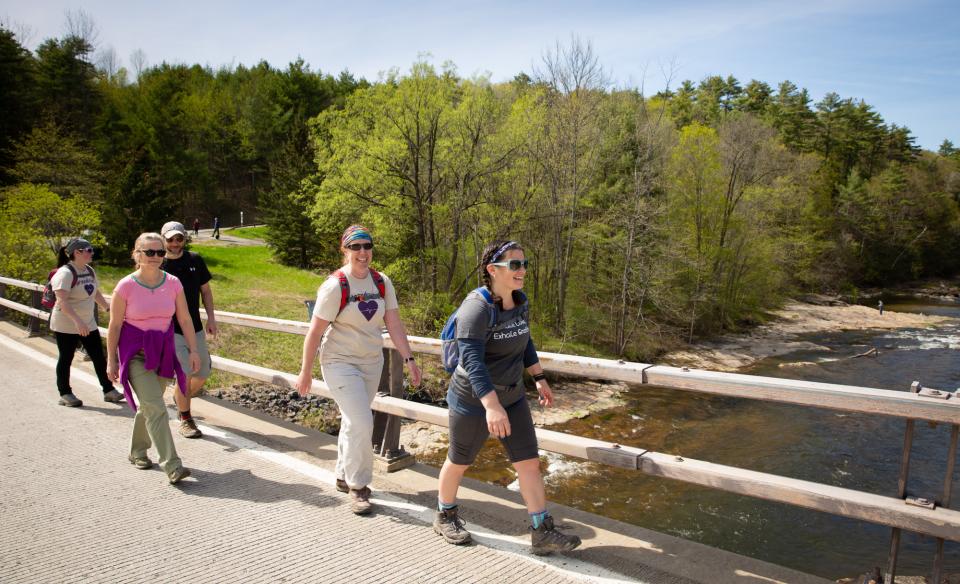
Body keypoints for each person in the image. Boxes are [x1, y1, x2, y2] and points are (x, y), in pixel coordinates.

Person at [433, 240, 581, 555]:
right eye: (515, 265)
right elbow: (471, 360)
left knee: (529, 463)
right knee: (459, 461)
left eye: (524, 264)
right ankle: (445, 515)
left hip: (512, 397)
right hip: (473, 399)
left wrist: (539, 377)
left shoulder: (520, 302)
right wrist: (491, 406)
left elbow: (524, 341)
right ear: (492, 270)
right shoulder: (476, 307)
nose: (522, 270)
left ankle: (542, 531)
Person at [295, 224, 422, 515]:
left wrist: (409, 359)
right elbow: (314, 333)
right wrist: (305, 372)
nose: (362, 252)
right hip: (339, 361)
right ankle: (359, 486)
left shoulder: (381, 283)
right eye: (356, 247)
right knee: (362, 421)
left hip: (371, 362)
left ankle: (342, 474)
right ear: (345, 250)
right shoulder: (335, 286)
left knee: (355, 422)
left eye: (367, 246)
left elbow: (393, 324)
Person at [106, 233, 200, 485]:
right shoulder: (125, 286)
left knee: (150, 405)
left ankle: (137, 451)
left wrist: (193, 350)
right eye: (150, 252)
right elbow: (114, 326)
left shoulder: (173, 283)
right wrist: (111, 360)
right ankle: (172, 464)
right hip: (134, 353)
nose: (157, 257)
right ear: (136, 254)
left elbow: (185, 319)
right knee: (157, 407)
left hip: (162, 352)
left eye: (161, 253)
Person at [49, 238, 124, 407]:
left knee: (98, 356)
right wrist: (77, 322)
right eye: (89, 250)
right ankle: (65, 393)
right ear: (77, 253)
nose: (92, 253)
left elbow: (94, 292)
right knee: (66, 357)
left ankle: (108, 390)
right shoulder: (65, 273)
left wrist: (107, 308)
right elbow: (62, 302)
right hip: (66, 324)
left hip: (88, 322)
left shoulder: (89, 270)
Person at [161, 221, 217, 439]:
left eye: (179, 239)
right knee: (184, 374)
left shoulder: (195, 260)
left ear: (184, 238)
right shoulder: (159, 264)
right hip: (171, 330)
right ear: (163, 239)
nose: (175, 244)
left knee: (202, 373)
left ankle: (180, 398)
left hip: (195, 328)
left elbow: (207, 292)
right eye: (170, 239)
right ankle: (186, 418)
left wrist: (211, 318)